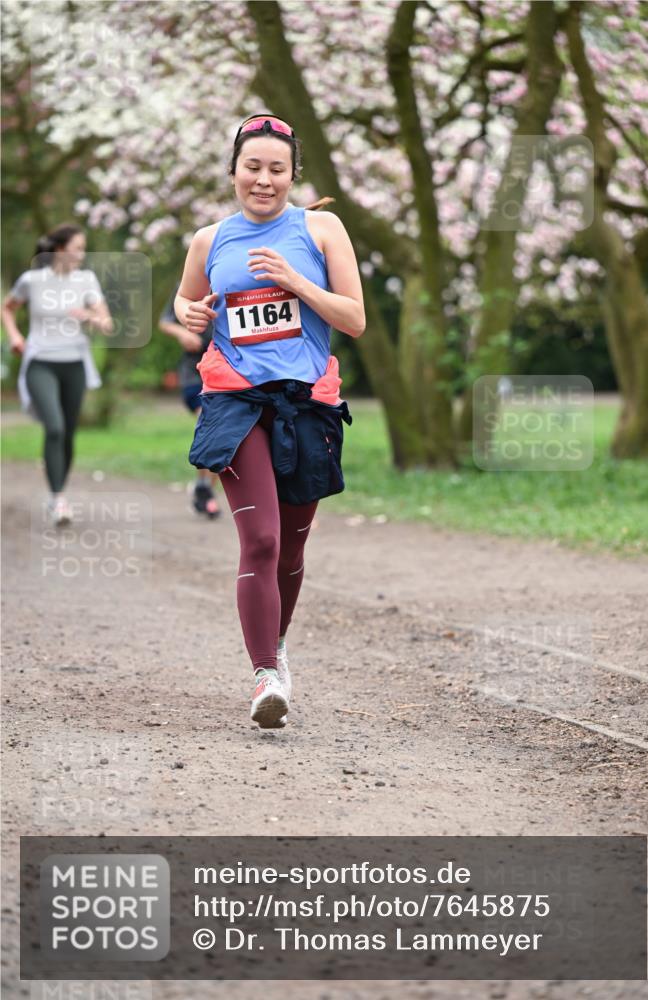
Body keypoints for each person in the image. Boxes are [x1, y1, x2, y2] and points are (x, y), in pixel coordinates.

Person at [175, 113, 365, 729]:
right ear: (233, 172)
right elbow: (185, 299)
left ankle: (277, 646)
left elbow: (354, 319)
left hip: (307, 401)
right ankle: (263, 676)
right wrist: (192, 313)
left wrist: (295, 281)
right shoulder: (209, 239)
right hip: (235, 399)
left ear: (292, 175)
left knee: (292, 547)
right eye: (252, 168)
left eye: (276, 170)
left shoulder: (321, 228)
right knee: (260, 540)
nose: (263, 180)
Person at [1, 224, 112, 524]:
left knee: (68, 433)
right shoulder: (32, 280)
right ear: (60, 249)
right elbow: (7, 308)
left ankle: (57, 494)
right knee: (55, 428)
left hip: (74, 363)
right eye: (78, 247)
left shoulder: (85, 280)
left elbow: (107, 323)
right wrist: (14, 337)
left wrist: (89, 316)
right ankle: (58, 499)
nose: (82, 254)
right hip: (40, 362)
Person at [158, 286, 222, 519]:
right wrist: (183, 333)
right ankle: (205, 489)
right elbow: (165, 321)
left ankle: (206, 490)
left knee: (221, 428)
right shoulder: (188, 282)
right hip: (194, 373)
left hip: (226, 370)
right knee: (210, 421)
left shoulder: (231, 273)